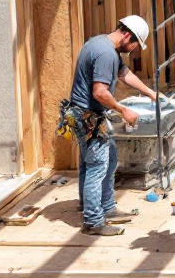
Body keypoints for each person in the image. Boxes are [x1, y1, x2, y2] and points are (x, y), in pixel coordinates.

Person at [62, 15, 159, 236]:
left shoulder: (100, 43)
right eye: (135, 44)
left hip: (85, 114)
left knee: (107, 158)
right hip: (89, 117)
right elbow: (100, 92)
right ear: (127, 35)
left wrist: (151, 93)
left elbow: (125, 74)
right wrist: (123, 110)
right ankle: (93, 221)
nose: (133, 50)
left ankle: (104, 207)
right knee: (97, 166)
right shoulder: (106, 53)